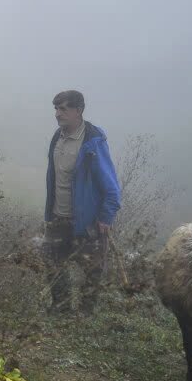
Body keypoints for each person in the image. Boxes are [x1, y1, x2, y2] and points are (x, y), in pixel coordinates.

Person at [44, 90, 121, 313]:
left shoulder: (93, 142)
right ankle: (61, 307)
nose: (58, 114)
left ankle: (85, 314)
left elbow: (112, 188)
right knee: (52, 263)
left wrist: (106, 218)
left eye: (63, 109)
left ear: (78, 110)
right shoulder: (57, 138)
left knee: (92, 269)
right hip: (58, 217)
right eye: (56, 109)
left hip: (87, 221)